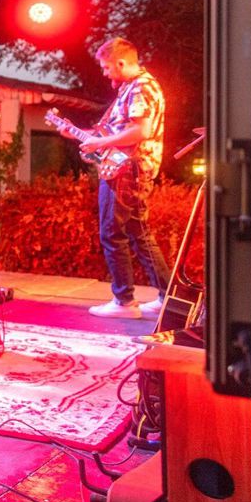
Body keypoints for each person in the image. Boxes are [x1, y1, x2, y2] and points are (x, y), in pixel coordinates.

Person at [64, 37, 171, 318]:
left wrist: (99, 143)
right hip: (131, 169)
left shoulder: (140, 87)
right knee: (139, 233)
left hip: (127, 170)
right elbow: (117, 133)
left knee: (112, 233)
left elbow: (140, 131)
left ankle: (124, 301)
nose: (105, 73)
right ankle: (169, 298)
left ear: (121, 63)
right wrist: (81, 134)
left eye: (107, 67)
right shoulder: (135, 87)